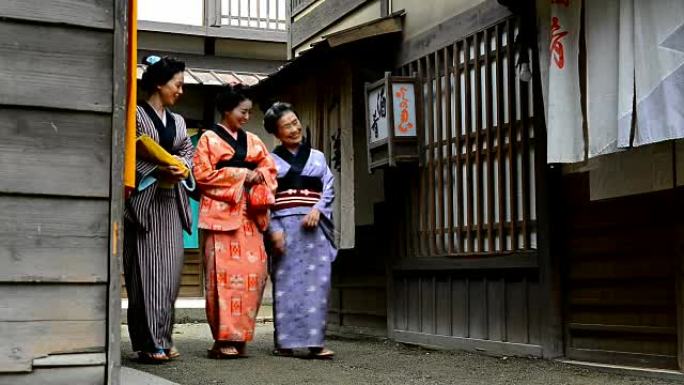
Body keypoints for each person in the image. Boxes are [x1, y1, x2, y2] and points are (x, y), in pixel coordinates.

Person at [193, 85, 277, 358]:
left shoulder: (253, 140)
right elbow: (203, 176)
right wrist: (241, 174)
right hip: (220, 216)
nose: (246, 117)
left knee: (254, 275)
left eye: (249, 112)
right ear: (227, 110)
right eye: (243, 111)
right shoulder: (208, 139)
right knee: (222, 279)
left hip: (250, 216)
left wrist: (258, 176)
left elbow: (269, 168)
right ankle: (222, 339)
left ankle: (240, 337)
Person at [123, 55, 194, 363]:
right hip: (145, 203)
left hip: (170, 203)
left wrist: (184, 169)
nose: (180, 91)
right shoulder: (136, 115)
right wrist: (156, 170)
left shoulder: (178, 122)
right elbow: (129, 152)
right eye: (177, 85)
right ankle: (150, 343)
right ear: (159, 84)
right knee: (147, 275)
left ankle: (163, 337)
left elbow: (187, 153)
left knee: (170, 275)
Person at [264, 102, 337, 359]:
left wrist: (317, 209)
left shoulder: (317, 157)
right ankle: (285, 341)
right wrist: (274, 229)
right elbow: (265, 199)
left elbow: (328, 186)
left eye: (296, 122)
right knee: (287, 283)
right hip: (284, 226)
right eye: (287, 126)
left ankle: (316, 342)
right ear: (276, 132)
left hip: (314, 225)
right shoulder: (270, 162)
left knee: (318, 284)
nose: (295, 129)